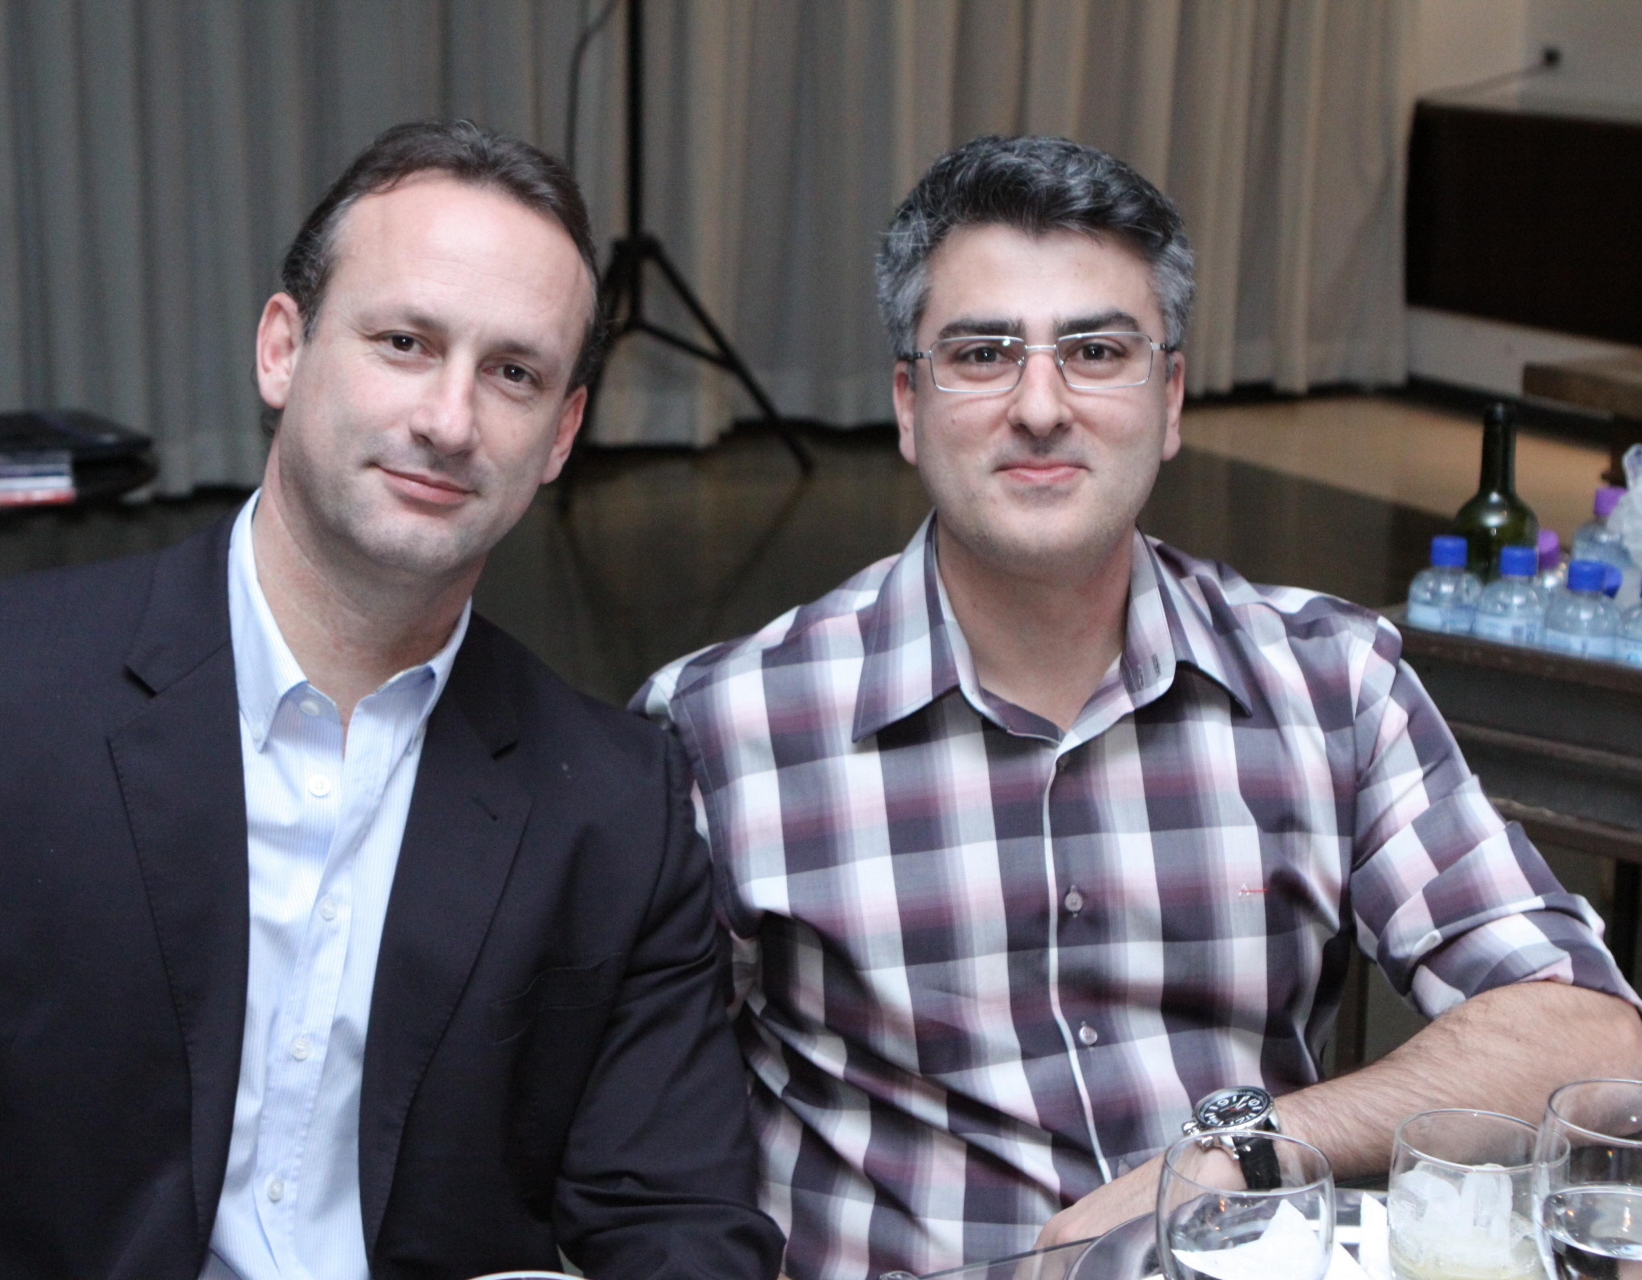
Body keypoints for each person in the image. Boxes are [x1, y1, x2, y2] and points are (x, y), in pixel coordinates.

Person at [0, 120, 783, 1280]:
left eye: (513, 373)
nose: (449, 419)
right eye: (404, 342)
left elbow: (683, 1225)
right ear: (283, 348)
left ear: (562, 434)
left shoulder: (616, 806)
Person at [634, 134, 1642, 1280]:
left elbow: (1592, 1036)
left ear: (1169, 399)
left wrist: (1246, 1145)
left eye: (1098, 351)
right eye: (982, 353)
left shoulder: (1328, 682)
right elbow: (636, 1168)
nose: (1041, 405)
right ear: (909, 404)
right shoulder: (728, 728)